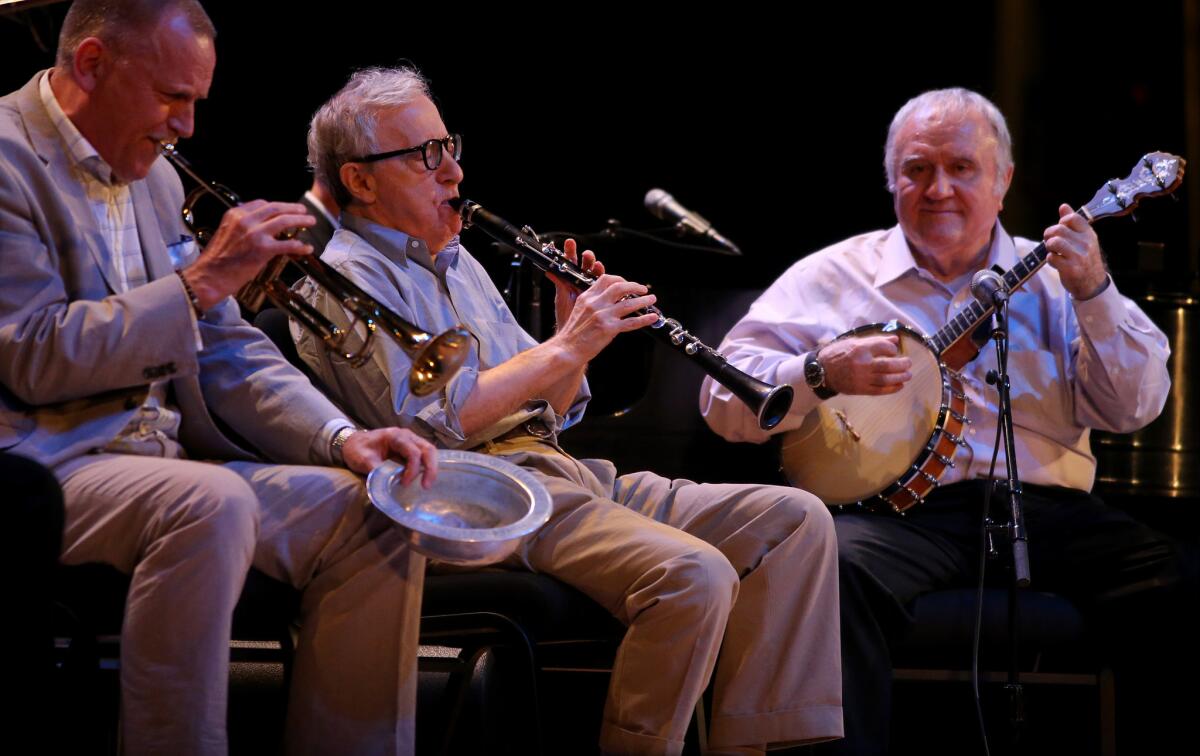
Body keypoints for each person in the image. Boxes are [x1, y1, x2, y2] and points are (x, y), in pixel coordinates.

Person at [293, 65, 844, 756]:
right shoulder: (339, 278)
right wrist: (567, 342)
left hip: (559, 473)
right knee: (692, 574)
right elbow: (432, 421)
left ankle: (749, 749)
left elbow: (553, 411)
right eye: (425, 156)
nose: (453, 174)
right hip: (473, 495)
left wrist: (572, 343)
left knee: (794, 522)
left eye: (450, 148)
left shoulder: (456, 263)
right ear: (360, 180)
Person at [0, 2, 440, 753]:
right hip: (42, 467)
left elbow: (225, 347)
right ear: (93, 64)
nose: (187, 126)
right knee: (210, 503)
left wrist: (342, 438)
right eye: (174, 97)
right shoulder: (6, 159)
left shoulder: (155, 180)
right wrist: (199, 283)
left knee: (376, 507)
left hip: (158, 463)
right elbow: (33, 354)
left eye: (197, 102)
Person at [700, 87, 1186, 753]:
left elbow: (1135, 409)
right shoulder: (834, 275)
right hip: (895, 520)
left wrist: (1094, 292)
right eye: (917, 169)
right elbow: (722, 399)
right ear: (890, 179)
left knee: (1175, 582)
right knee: (828, 569)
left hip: (1044, 512)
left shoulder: (1062, 277)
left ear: (1004, 180)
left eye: (962, 168)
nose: (938, 190)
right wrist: (819, 371)